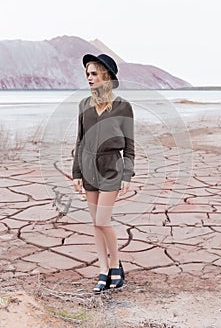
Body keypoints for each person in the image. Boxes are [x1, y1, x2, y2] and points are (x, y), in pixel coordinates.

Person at [72, 54, 135, 293]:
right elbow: (79, 141)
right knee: (96, 224)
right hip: (88, 167)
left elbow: (130, 144)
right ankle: (103, 269)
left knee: (102, 221)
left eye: (94, 73)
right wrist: (76, 173)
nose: (89, 77)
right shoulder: (83, 105)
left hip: (111, 168)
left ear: (106, 75)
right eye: (87, 74)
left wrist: (127, 174)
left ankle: (115, 265)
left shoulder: (123, 107)